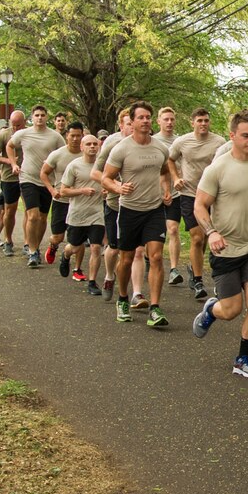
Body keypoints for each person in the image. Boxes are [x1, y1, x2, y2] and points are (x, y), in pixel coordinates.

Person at [191, 108, 248, 378]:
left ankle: (243, 359)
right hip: (225, 248)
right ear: (232, 136)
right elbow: (200, 206)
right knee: (230, 310)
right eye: (245, 136)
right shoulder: (217, 169)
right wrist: (211, 233)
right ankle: (211, 309)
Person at [100, 101, 173, 328]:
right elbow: (105, 178)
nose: (146, 121)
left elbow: (163, 172)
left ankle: (154, 307)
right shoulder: (122, 148)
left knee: (157, 257)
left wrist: (166, 190)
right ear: (131, 122)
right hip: (130, 210)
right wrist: (117, 188)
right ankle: (122, 298)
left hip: (154, 210)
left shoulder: (160, 148)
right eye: (141, 117)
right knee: (127, 258)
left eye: (148, 117)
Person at [168, 107, 226, 300]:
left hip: (212, 196)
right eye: (199, 120)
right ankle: (198, 281)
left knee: (208, 238)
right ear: (192, 122)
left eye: (206, 120)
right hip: (189, 194)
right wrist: (176, 177)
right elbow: (170, 159)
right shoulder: (182, 142)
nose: (203, 124)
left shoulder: (219, 142)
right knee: (197, 237)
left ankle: (194, 269)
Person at [7, 104, 66, 267]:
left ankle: (36, 247)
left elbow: (64, 154)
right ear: (31, 118)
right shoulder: (23, 134)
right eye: (37, 115)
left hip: (47, 181)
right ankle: (32, 252)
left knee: (42, 218)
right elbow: (10, 146)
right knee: (32, 216)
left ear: (47, 117)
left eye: (42, 115)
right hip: (28, 178)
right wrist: (13, 163)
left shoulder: (55, 137)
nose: (39, 118)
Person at [59, 134, 106, 296]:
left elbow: (108, 184)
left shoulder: (103, 166)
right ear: (82, 147)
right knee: (75, 247)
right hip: (77, 214)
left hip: (97, 214)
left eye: (95, 144)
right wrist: (82, 191)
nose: (92, 147)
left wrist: (107, 190)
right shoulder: (74, 166)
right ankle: (65, 256)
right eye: (89, 144)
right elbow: (63, 191)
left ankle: (92, 282)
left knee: (95, 248)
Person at [41, 121, 85, 272]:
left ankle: (78, 269)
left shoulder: (87, 154)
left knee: (79, 239)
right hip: (61, 200)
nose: (75, 139)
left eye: (78, 136)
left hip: (81, 201)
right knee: (58, 237)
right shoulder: (57, 154)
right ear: (67, 136)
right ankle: (53, 246)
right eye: (72, 136)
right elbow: (44, 173)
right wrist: (52, 190)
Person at [152, 107, 186, 286]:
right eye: (166, 119)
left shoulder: (180, 141)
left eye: (172, 119)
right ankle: (150, 259)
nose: (169, 122)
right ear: (158, 121)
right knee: (154, 235)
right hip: (152, 195)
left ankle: (173, 269)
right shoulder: (152, 141)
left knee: (173, 229)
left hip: (175, 193)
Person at [0, 111, 28, 257]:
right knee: (10, 210)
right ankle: (8, 240)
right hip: (9, 177)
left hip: (27, 177)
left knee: (29, 211)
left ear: (24, 122)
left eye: (19, 125)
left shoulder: (30, 133)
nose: (16, 128)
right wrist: (9, 161)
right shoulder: (5, 134)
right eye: (13, 125)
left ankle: (27, 243)